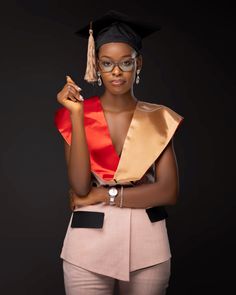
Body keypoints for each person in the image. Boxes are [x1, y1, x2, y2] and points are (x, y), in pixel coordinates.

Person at [54, 10, 184, 295]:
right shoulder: (75, 116)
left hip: (148, 246)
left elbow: (168, 191)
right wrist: (76, 115)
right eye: (106, 63)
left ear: (138, 63)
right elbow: (78, 184)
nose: (116, 71)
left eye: (126, 62)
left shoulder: (159, 118)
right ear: (96, 66)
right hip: (87, 245)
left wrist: (104, 194)